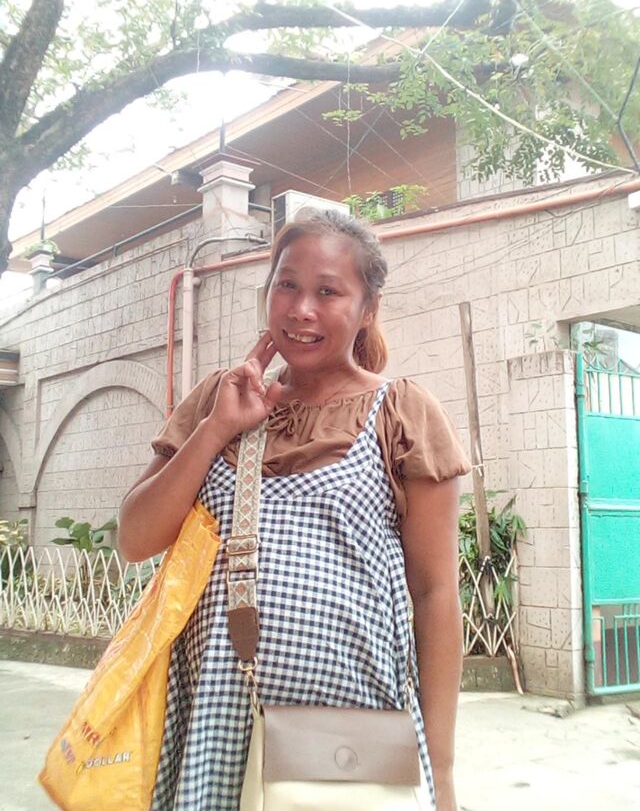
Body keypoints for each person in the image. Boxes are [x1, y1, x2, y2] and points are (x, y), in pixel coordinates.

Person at [118, 209, 471, 811]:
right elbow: (135, 538)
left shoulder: (402, 412)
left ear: (367, 307)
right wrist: (218, 428)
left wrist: (440, 770)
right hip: (218, 718)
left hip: (351, 729)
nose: (301, 309)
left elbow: (435, 593)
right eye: (287, 284)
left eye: (328, 292)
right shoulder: (219, 399)